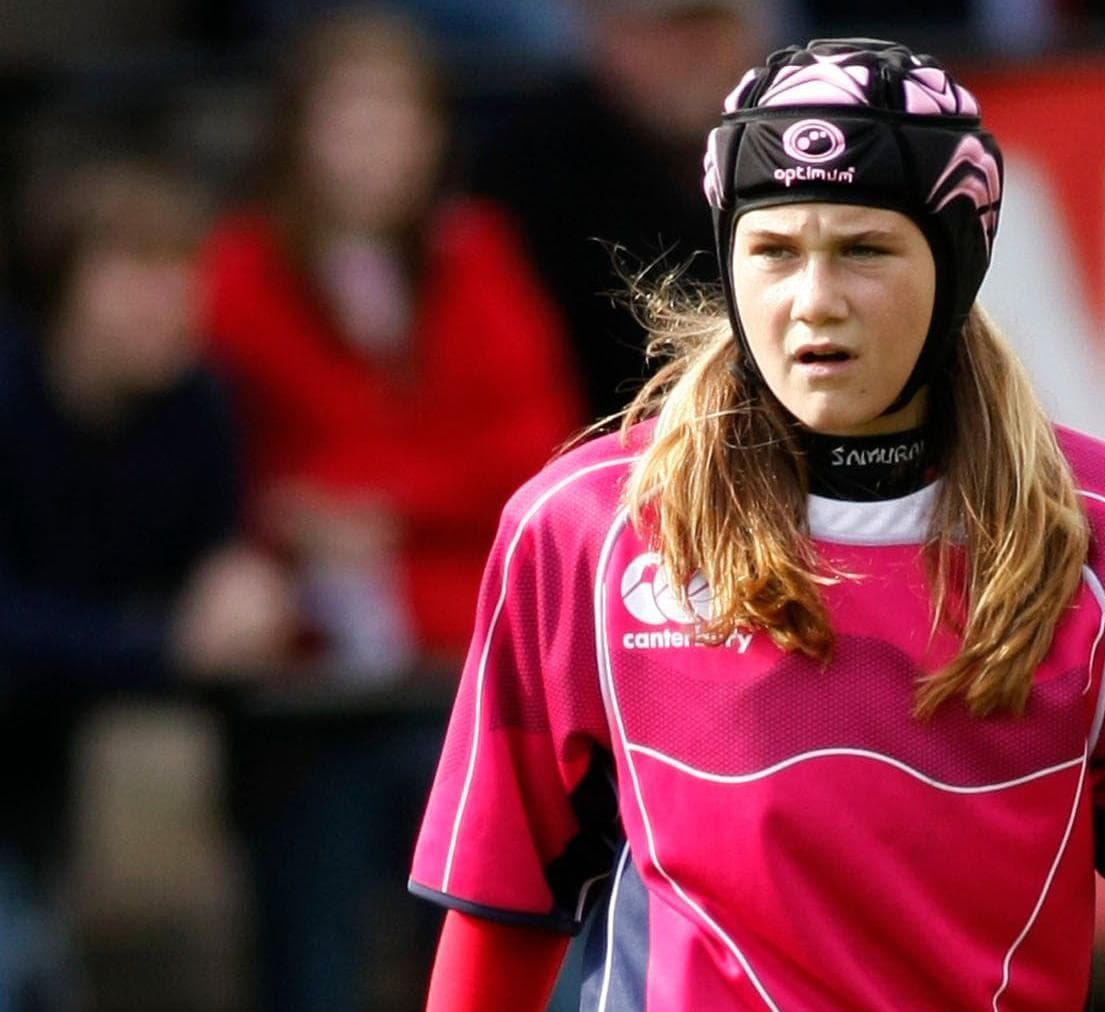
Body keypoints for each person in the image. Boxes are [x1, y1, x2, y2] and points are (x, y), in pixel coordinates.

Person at [411, 38, 1105, 1011]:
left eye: (863, 250)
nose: (814, 300)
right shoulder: (579, 529)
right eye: (774, 251)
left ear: (956, 263)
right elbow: (498, 904)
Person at [200, 10, 582, 1010]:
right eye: (348, 118)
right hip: (309, 671)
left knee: (486, 924)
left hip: (458, 662)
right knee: (313, 924)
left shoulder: (479, 255)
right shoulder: (239, 273)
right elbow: (256, 472)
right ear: (297, 132)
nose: (373, 147)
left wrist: (384, 501)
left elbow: (537, 445)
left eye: (395, 119)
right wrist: (318, 515)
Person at [0, 159, 293, 1010]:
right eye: (131, 274)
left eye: (178, 275)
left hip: (118, 724)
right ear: (61, 285)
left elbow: (219, 577)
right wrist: (159, 642)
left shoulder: (199, 405)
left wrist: (243, 600)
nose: (163, 302)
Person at [470, 0, 763, 418]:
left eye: (711, 30)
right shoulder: (526, 166)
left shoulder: (800, 152)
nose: (694, 56)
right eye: (666, 33)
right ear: (603, 34)